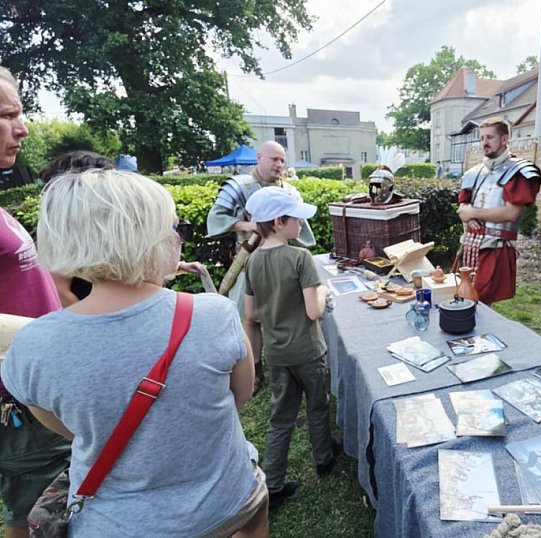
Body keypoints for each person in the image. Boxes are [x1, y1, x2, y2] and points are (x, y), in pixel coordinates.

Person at [2, 169, 268, 537]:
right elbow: (240, 395)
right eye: (176, 228)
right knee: (257, 503)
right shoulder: (213, 313)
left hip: (115, 524)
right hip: (228, 502)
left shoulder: (32, 345)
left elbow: (69, 430)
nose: (179, 238)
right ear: (150, 237)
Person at [0, 65, 72, 538]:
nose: (22, 128)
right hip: (22, 410)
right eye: (7, 115)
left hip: (37, 395)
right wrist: (55, 340)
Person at [242, 186, 341, 509]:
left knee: (280, 418)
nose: (301, 225)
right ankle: (324, 457)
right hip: (309, 350)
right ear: (280, 220)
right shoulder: (300, 257)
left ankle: (272, 483)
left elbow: (251, 314)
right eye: (297, 219)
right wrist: (324, 291)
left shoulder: (253, 262)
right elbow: (314, 311)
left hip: (277, 354)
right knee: (317, 406)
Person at [207, 140, 315, 387]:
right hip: (251, 259)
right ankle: (253, 371)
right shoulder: (240, 185)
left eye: (282, 160)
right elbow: (216, 219)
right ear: (259, 158)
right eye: (274, 159)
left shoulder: (289, 190)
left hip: (285, 261)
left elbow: (301, 230)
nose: (279, 165)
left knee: (290, 312)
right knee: (249, 316)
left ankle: (291, 366)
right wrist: (252, 225)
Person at [40, 150, 209, 307]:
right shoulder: (71, 227)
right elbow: (61, 290)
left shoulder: (105, 221)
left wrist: (177, 265)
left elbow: (119, 262)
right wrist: (87, 325)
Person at [456, 118, 541, 304]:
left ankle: (485, 332)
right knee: (464, 294)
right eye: (482, 138)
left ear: (504, 139)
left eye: (490, 137)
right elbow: (463, 206)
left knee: (481, 297)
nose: (484, 143)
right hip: (472, 243)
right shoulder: (474, 173)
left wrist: (473, 214)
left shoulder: (519, 171)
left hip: (497, 246)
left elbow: (512, 213)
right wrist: (467, 215)